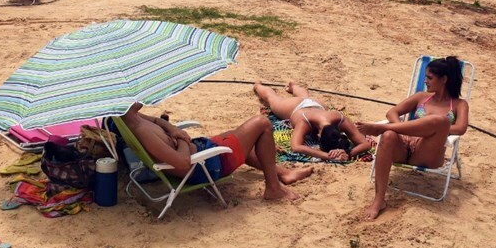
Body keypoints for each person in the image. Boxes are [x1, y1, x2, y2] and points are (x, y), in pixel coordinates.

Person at [121, 103, 312, 201]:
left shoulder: (130, 119)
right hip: (208, 166)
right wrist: (182, 139)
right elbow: (182, 162)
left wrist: (173, 130)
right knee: (262, 124)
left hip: (203, 151)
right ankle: (274, 189)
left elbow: (157, 121)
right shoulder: (142, 132)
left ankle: (284, 174)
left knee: (242, 138)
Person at [355, 56, 469, 220]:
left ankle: (382, 128)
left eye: (429, 78)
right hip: (404, 146)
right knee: (388, 136)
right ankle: (379, 200)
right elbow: (392, 113)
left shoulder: (459, 104)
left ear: (444, 79)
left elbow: (461, 128)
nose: (425, 81)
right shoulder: (421, 97)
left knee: (440, 121)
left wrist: (431, 129)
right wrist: (402, 129)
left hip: (427, 153)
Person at [254, 82, 372, 162]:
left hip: (316, 104)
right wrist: (328, 156)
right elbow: (296, 146)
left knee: (306, 97)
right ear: (319, 136)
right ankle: (258, 85)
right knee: (272, 99)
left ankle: (294, 87)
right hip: (296, 108)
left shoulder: (339, 118)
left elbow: (366, 144)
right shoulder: (305, 122)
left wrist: (348, 154)